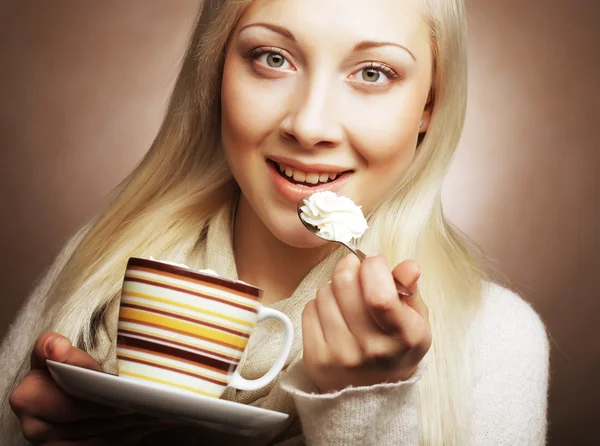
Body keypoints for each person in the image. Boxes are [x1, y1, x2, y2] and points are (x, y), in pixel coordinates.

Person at [0, 0, 550, 444]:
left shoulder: (495, 340)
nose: (309, 126)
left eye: (373, 72)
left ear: (430, 104)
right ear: (216, 72)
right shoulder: (97, 264)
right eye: (272, 58)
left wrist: (363, 411)